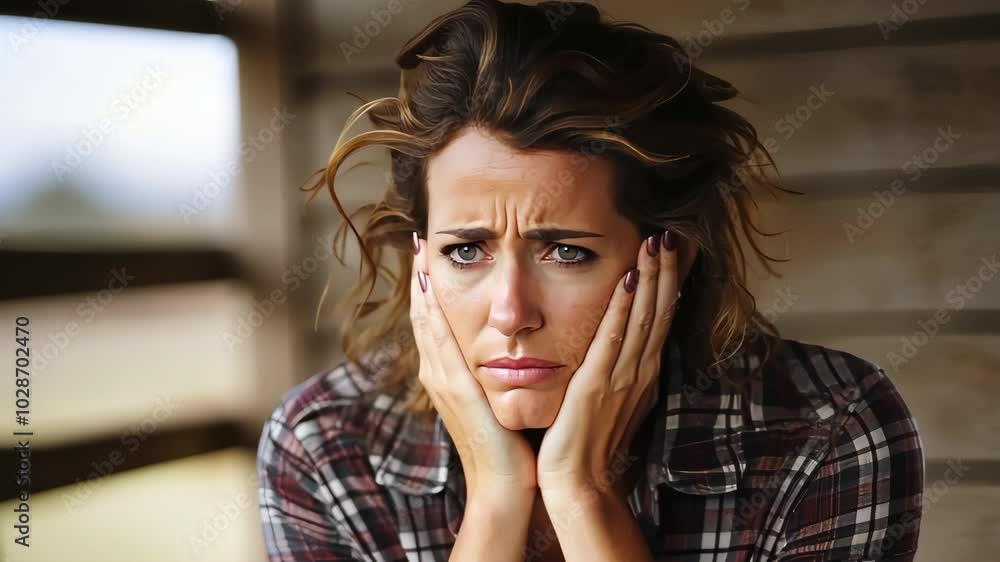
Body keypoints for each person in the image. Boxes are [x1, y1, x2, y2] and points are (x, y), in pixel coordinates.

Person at [256, 1, 924, 560]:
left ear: (672, 258)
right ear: (421, 260)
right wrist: (494, 500)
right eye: (466, 252)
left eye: (567, 253)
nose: (511, 312)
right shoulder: (326, 445)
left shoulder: (827, 428)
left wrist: (583, 495)